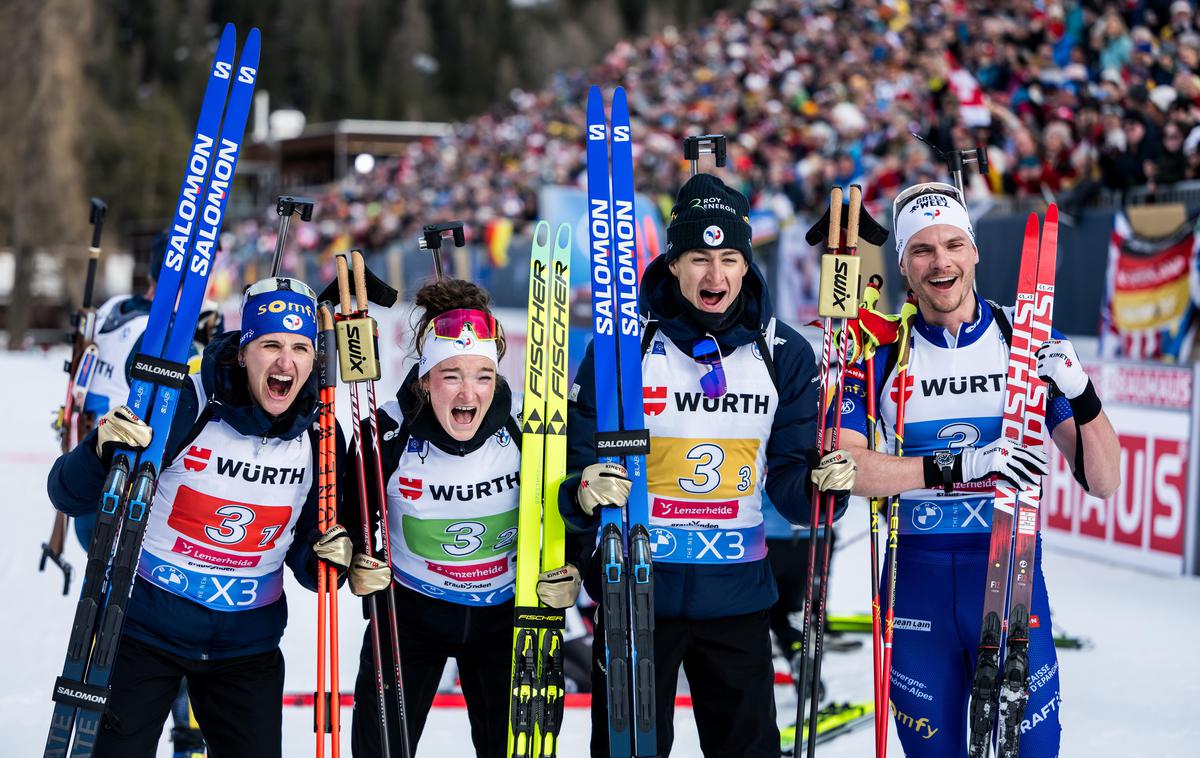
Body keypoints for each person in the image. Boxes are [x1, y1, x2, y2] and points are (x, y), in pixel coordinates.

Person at [560, 173, 856, 757]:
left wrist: (827, 487)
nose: (714, 276)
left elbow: (795, 493)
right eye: (698, 258)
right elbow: (573, 474)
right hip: (634, 598)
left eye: (729, 258)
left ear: (748, 264)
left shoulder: (785, 354)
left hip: (739, 601)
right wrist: (582, 495)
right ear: (673, 263)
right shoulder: (622, 351)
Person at [836, 182, 1121, 757]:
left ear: (974, 252)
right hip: (915, 583)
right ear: (903, 266)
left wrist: (1083, 394)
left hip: (1011, 574)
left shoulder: (1026, 339)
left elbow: (1105, 481)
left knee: (1033, 750)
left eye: (952, 245)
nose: (940, 262)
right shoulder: (878, 353)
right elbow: (846, 467)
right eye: (921, 250)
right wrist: (958, 466)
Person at [47, 277, 348, 757]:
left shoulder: (321, 434)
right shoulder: (187, 402)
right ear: (243, 350)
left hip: (247, 650)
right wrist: (100, 450)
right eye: (270, 344)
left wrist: (331, 560)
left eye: (300, 348)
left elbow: (311, 556)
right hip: (144, 633)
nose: (285, 362)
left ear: (315, 358)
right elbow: (66, 494)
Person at [344, 279, 583, 757]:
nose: (468, 393)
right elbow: (347, 521)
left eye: (483, 375)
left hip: (506, 617)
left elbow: (565, 508)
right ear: (424, 378)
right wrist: (349, 560)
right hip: (409, 617)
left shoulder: (529, 425)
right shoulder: (386, 434)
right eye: (451, 374)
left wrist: (574, 567)